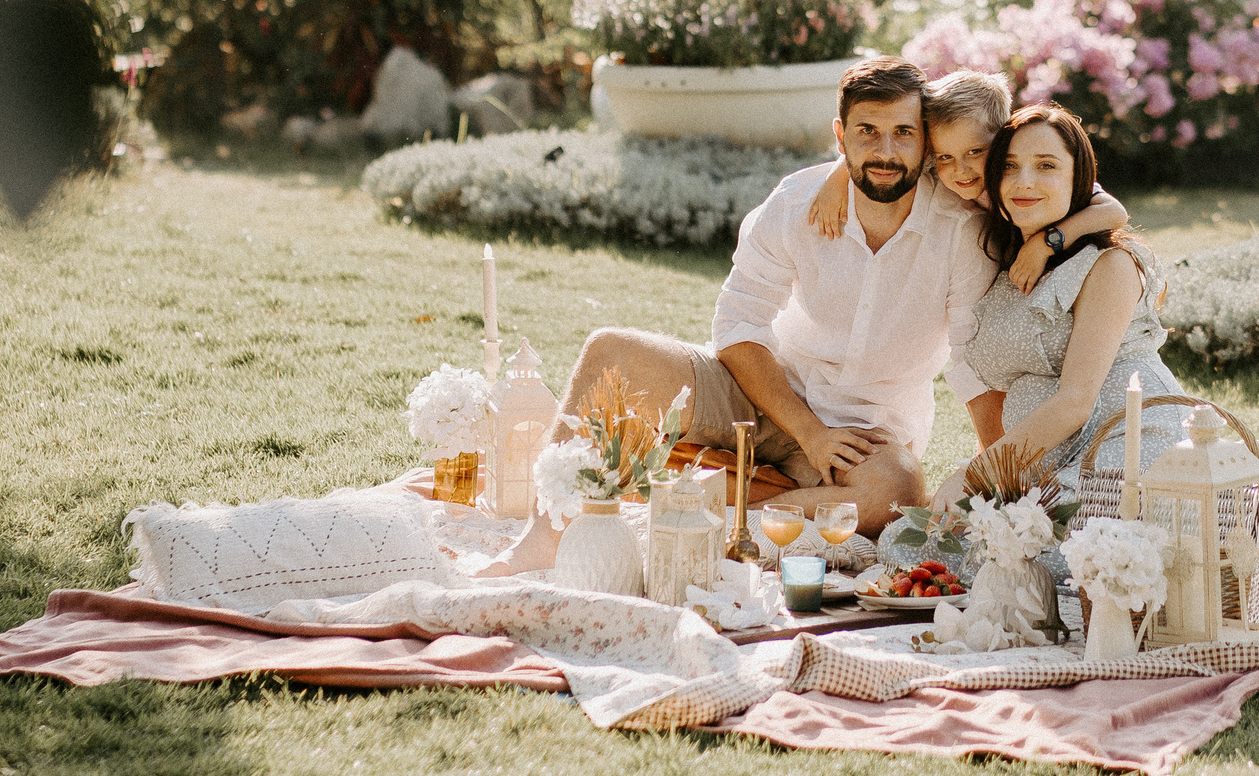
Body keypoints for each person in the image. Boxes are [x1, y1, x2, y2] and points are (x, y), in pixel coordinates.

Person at [492, 57, 999, 571]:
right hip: (762, 394)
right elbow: (738, 326)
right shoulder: (797, 201)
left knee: (898, 490)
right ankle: (543, 536)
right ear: (840, 136)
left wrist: (1001, 482)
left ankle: (712, 516)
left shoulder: (960, 231)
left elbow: (972, 364)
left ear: (926, 143)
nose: (885, 151)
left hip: (865, 435)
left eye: (902, 133)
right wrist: (808, 431)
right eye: (868, 131)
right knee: (612, 352)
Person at [936, 104, 1189, 506]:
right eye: (1009, 167)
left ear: (1079, 179)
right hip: (1042, 461)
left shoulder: (1109, 264)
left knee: (1051, 556)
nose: (1024, 182)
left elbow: (1074, 401)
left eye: (1047, 166)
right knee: (920, 546)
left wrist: (974, 475)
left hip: (1126, 443)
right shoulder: (1007, 266)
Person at [805, 69, 1129, 296]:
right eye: (945, 157)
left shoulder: (1020, 177)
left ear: (1004, 137)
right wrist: (839, 174)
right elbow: (889, 157)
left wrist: (1044, 244)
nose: (960, 171)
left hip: (1069, 263)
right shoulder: (942, 165)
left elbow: (1114, 211)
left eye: (975, 151)